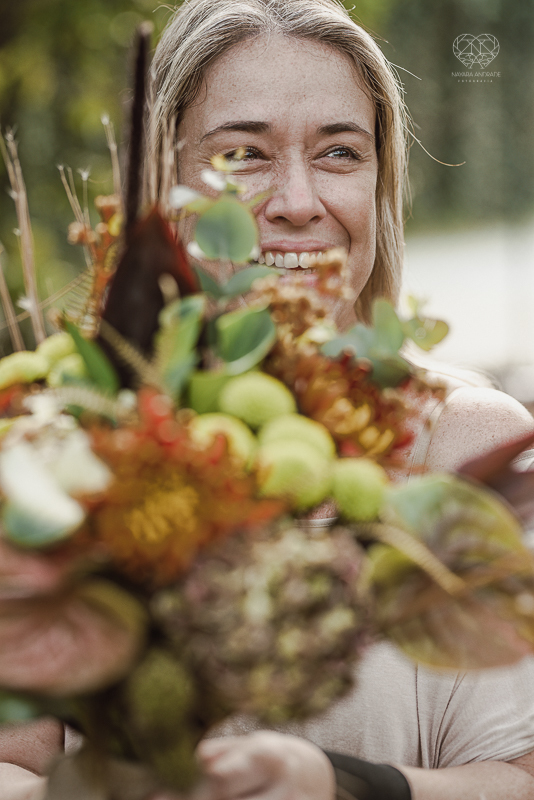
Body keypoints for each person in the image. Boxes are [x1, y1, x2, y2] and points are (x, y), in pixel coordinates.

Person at [3, 0, 534, 798]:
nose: (296, 201)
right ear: (160, 183)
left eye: (340, 153)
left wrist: (338, 783)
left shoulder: (468, 447)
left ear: (379, 180)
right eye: (243, 155)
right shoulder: (65, 446)